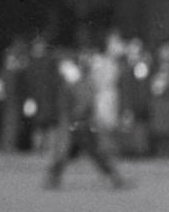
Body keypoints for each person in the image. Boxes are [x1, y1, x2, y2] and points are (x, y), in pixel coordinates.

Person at [43, 40, 127, 190]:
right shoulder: (78, 83)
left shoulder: (81, 82)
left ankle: (114, 178)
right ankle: (53, 178)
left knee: (90, 152)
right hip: (77, 122)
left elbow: (84, 103)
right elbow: (75, 104)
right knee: (69, 153)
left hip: (81, 122)